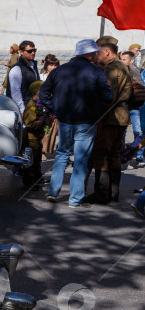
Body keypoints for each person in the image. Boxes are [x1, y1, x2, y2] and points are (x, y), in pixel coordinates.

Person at [40, 39, 113, 208]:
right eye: (94, 52)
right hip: (86, 121)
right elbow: (107, 96)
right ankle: (75, 199)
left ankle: (53, 192)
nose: (96, 54)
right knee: (80, 159)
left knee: (62, 154)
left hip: (65, 119)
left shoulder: (59, 70)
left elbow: (44, 94)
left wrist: (56, 109)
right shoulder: (96, 71)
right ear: (88, 54)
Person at [85, 36, 132, 204]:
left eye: (98, 52)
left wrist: (96, 116)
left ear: (106, 51)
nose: (96, 55)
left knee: (101, 154)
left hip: (110, 116)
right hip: (120, 116)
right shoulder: (122, 66)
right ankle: (113, 193)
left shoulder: (112, 69)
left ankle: (102, 193)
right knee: (113, 155)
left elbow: (107, 96)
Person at [21, 80, 53, 189]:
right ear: (37, 91)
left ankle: (38, 178)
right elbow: (29, 123)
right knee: (30, 161)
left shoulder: (39, 104)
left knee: (37, 159)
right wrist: (43, 122)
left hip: (37, 137)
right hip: (31, 138)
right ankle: (29, 181)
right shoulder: (31, 106)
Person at [121, 50, 145, 167]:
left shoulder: (139, 72)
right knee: (122, 132)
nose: (122, 61)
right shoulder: (120, 71)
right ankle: (122, 157)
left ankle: (138, 155)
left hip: (136, 106)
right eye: (121, 59)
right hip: (123, 106)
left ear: (132, 60)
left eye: (124, 59)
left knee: (138, 131)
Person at [7, 40, 40, 112]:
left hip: (33, 107)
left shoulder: (34, 66)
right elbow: (15, 92)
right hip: (22, 109)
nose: (33, 53)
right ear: (21, 52)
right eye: (30, 51)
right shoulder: (17, 68)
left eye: (34, 50)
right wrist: (22, 110)